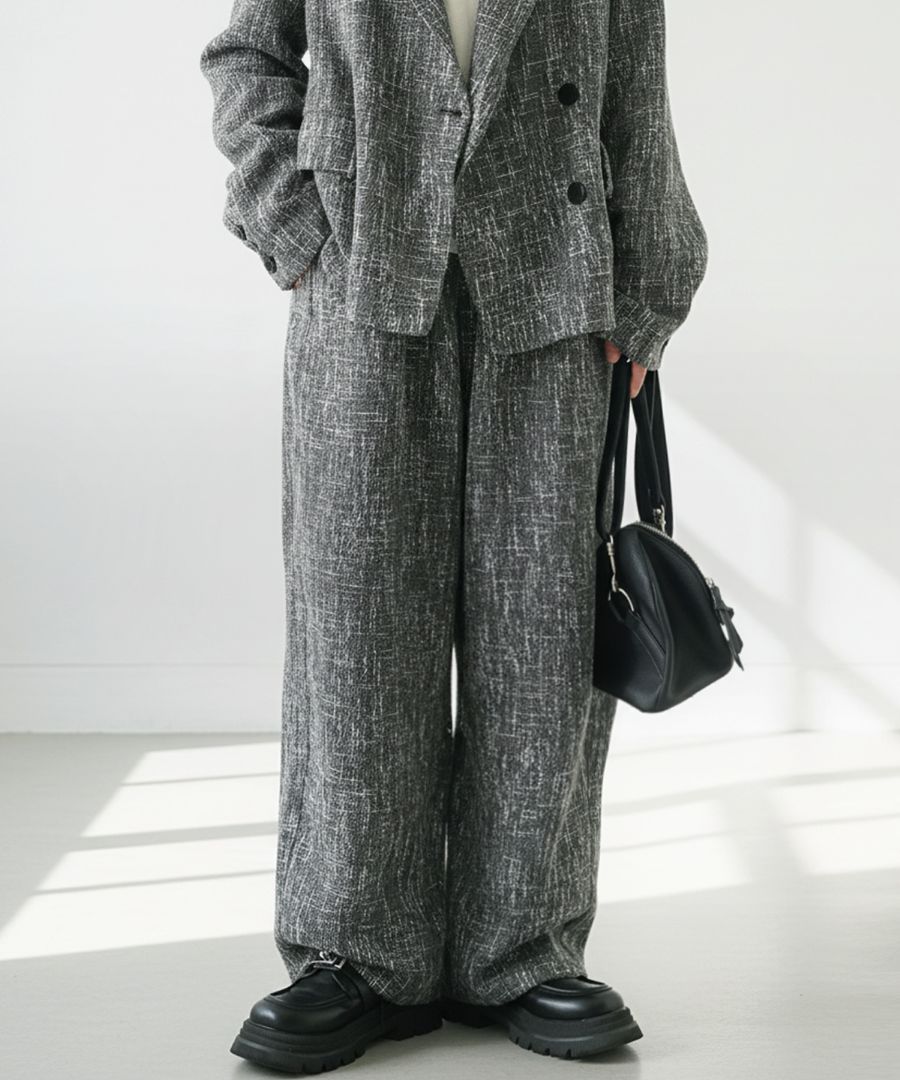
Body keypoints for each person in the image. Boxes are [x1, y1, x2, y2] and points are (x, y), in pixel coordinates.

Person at [199, 0, 707, 1070]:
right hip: (363, 272)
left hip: (555, 281)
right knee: (357, 627)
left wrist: (650, 288)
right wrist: (294, 223)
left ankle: (523, 951)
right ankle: (354, 953)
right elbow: (247, 55)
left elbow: (638, 91)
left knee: (544, 633)